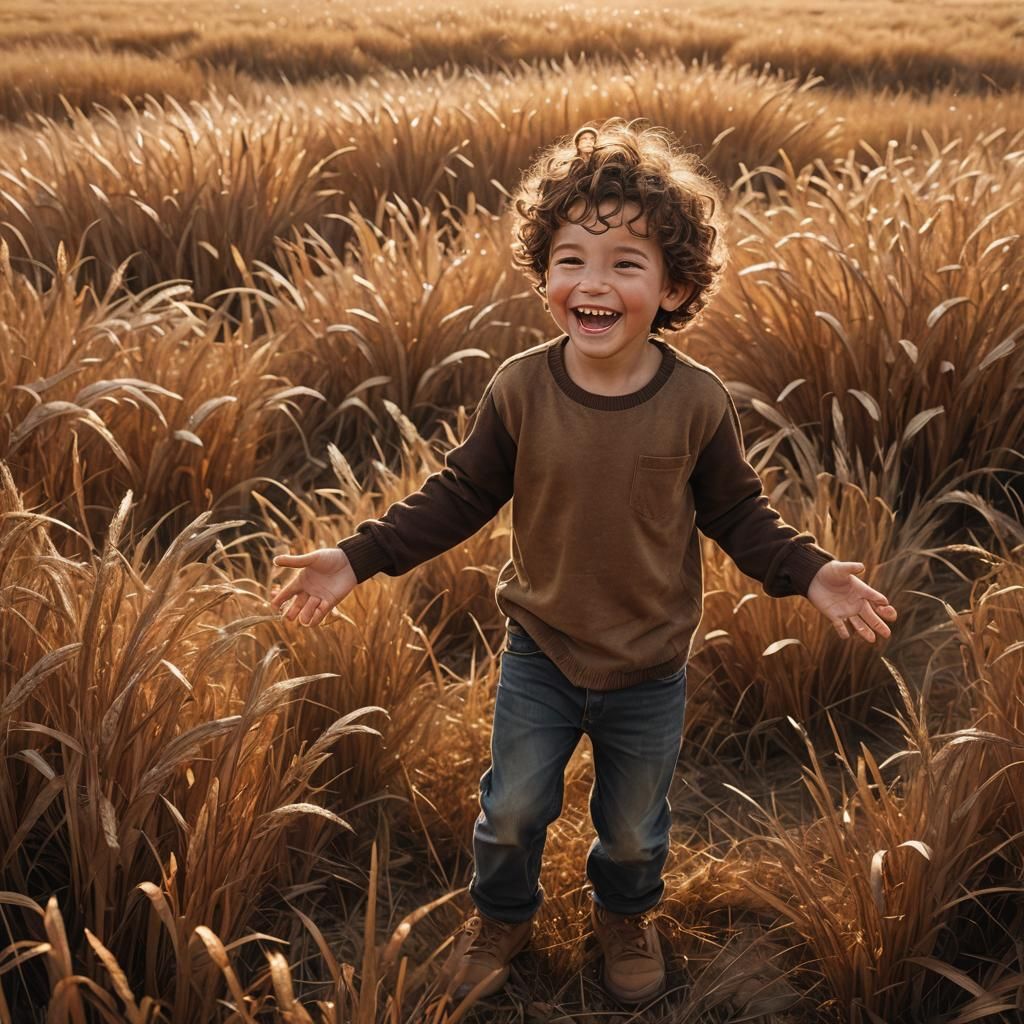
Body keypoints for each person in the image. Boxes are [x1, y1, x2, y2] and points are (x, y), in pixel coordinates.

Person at [269, 118, 898, 1005]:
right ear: (545, 274)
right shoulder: (521, 388)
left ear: (675, 287)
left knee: (635, 827)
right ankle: (502, 914)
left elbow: (736, 513)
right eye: (571, 259)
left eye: (625, 264)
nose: (592, 282)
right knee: (514, 808)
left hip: (648, 664)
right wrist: (355, 557)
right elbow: (458, 493)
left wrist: (810, 570)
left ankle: (626, 914)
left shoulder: (695, 402)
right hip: (542, 651)